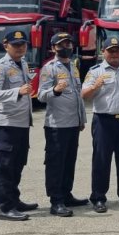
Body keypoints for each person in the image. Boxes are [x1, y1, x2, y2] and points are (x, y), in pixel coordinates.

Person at [81, 37, 119, 213]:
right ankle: (98, 197)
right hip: (103, 121)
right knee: (101, 161)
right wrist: (95, 86)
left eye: (117, 50)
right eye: (110, 50)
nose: (114, 54)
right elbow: (84, 94)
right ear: (103, 52)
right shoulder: (95, 71)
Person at [0, 30, 38, 221]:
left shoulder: (23, 63)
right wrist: (18, 90)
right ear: (5, 45)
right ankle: (5, 208)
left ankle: (14, 200)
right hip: (6, 125)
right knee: (4, 167)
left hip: (22, 124)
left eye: (23, 44)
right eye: (16, 44)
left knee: (17, 165)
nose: (20, 48)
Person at [38, 32, 88, 217]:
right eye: (61, 44)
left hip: (73, 124)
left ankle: (67, 195)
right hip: (56, 126)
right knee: (56, 164)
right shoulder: (49, 68)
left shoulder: (73, 66)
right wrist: (55, 90)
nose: (66, 46)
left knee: (69, 162)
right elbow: (41, 95)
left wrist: (81, 118)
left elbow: (78, 94)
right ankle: (56, 201)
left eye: (68, 43)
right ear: (53, 48)